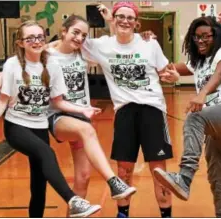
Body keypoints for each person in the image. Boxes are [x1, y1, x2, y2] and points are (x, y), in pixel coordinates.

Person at [0, 15, 137, 217]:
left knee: (79, 177)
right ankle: (112, 183)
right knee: (79, 134)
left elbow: (114, 46)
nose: (80, 38)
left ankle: (75, 209)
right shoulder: (47, 53)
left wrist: (138, 36)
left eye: (84, 35)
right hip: (56, 117)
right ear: (63, 32)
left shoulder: (82, 53)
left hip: (76, 114)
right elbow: (17, 63)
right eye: (75, 32)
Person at [81, 2, 179, 217]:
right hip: (124, 112)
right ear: (113, 19)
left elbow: (166, 71)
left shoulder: (149, 44)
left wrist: (173, 76)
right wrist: (107, 20)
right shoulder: (102, 45)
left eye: (130, 18)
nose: (125, 21)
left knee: (159, 171)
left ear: (137, 23)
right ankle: (123, 213)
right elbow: (74, 39)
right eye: (120, 17)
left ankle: (166, 214)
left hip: (152, 109)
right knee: (124, 169)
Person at [152, 16, 221, 218]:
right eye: (196, 37)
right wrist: (149, 45)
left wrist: (202, 94)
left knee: (194, 117)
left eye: (206, 36)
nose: (200, 40)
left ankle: (185, 177)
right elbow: (169, 67)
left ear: (215, 36)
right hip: (218, 123)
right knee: (217, 174)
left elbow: (220, 73)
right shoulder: (198, 62)